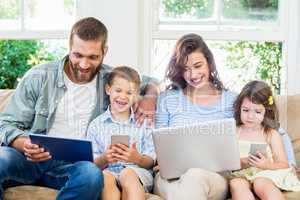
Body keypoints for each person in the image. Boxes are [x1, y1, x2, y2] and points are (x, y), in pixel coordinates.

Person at [0, 17, 157, 200]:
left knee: (91, 175)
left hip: (74, 166)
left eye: (93, 57)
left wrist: (150, 97)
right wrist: (24, 143)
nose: (84, 64)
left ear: (104, 52)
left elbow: (151, 81)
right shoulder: (39, 76)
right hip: (28, 159)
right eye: (78, 55)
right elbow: (5, 125)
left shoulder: (111, 78)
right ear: (69, 47)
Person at [154, 33, 237, 200]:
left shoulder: (232, 100)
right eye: (185, 69)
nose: (193, 75)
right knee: (183, 188)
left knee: (194, 176)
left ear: (210, 63)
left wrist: (290, 163)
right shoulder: (168, 99)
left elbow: (268, 127)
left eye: (198, 66)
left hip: (212, 177)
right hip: (170, 177)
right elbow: (158, 144)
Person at [87, 66, 156, 200]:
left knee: (127, 173)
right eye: (118, 90)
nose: (123, 97)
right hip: (108, 171)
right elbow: (93, 164)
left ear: (136, 95)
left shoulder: (144, 123)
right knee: (106, 178)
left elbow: (151, 162)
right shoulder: (96, 125)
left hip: (137, 172)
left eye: (129, 93)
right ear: (108, 90)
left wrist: (137, 158)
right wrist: (105, 158)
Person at [229, 80, 300, 200]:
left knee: (261, 183)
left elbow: (284, 164)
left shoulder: (271, 134)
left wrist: (266, 164)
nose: (250, 116)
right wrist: (242, 162)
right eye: (245, 110)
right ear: (239, 108)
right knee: (237, 184)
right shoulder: (233, 132)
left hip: (266, 173)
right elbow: (226, 161)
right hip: (241, 175)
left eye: (257, 112)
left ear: (266, 112)